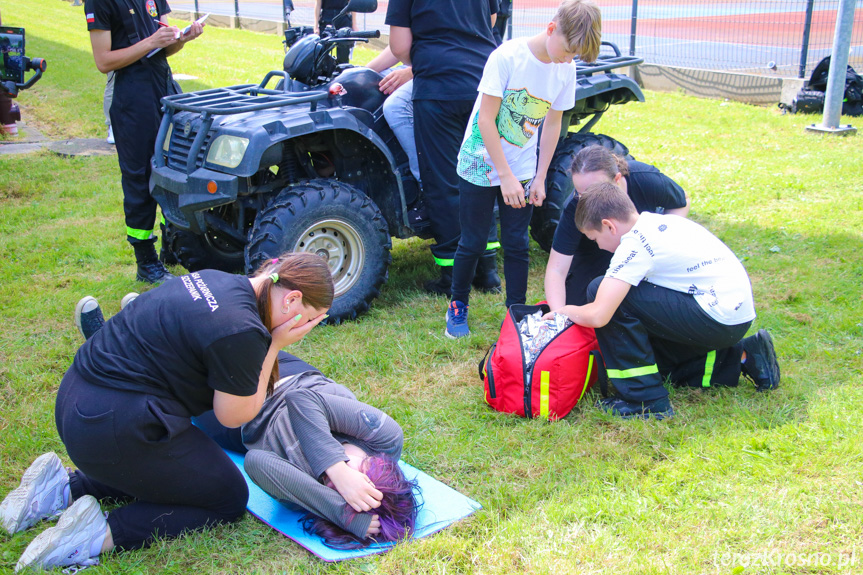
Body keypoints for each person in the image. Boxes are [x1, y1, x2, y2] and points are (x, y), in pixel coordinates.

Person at [1, 253, 333, 572]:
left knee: (182, 474)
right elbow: (234, 416)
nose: (305, 330)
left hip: (77, 401)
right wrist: (274, 345)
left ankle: (61, 489)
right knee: (227, 497)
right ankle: (94, 535)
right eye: (311, 320)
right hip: (110, 428)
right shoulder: (243, 330)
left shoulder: (215, 279)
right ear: (291, 299)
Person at [547, 182, 780, 419]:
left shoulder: (636, 245)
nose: (597, 245)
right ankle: (745, 356)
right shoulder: (657, 221)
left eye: (594, 238)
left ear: (608, 226)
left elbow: (599, 314)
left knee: (601, 291)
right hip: (731, 315)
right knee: (657, 365)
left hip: (718, 318)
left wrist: (565, 311)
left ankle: (645, 399)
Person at [444, 0, 601, 338]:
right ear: (550, 28)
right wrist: (505, 177)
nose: (568, 59)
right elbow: (486, 120)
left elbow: (554, 122)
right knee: (472, 241)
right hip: (480, 163)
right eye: (568, 49)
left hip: (524, 169)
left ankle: (515, 314)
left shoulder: (565, 68)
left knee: (516, 242)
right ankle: (457, 306)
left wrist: (541, 175)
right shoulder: (507, 57)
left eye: (575, 55)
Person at [196, 362, 420, 549]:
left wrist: (340, 512)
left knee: (188, 370)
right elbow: (300, 399)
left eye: (342, 493)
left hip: (248, 415)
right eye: (359, 477)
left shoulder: (308, 493)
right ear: (377, 463)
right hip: (290, 373)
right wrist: (337, 468)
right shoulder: (385, 441)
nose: (341, 484)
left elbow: (256, 462)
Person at [386, 0, 502, 297]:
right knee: (480, 171)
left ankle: (452, 275)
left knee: (444, 181)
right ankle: (487, 270)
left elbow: (400, 46)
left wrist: (433, 55)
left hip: (438, 86)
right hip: (482, 80)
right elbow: (490, 18)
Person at [84, 0, 204, 284]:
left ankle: (171, 248)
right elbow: (104, 61)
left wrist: (181, 39)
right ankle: (145, 261)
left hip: (162, 85)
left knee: (175, 167)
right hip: (130, 92)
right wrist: (151, 41)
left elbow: (165, 49)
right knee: (140, 175)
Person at [544, 145, 690, 309]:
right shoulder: (575, 207)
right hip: (596, 255)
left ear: (617, 179)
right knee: (584, 302)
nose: (587, 199)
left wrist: (663, 237)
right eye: (581, 194)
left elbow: (681, 201)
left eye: (595, 189)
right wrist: (557, 315)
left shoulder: (645, 179)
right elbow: (556, 269)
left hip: (646, 248)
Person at [315, 0, 356, 64]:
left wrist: (354, 25)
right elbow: (318, 4)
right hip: (327, 18)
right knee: (322, 55)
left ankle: (341, 71)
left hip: (343, 17)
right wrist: (316, 26)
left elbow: (351, 3)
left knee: (343, 56)